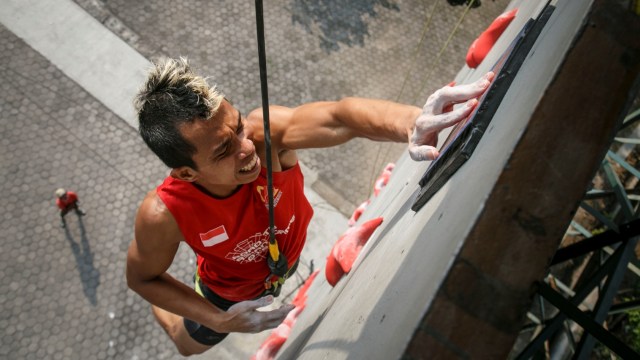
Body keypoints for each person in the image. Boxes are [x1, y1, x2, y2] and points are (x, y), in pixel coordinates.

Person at [126, 57, 494, 356]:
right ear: (187, 173)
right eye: (224, 151)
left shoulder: (264, 134)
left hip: (279, 262)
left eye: (237, 127)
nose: (247, 147)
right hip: (225, 296)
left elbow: (341, 117)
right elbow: (142, 277)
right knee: (186, 345)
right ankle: (169, 310)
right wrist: (218, 320)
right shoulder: (163, 213)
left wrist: (411, 122)